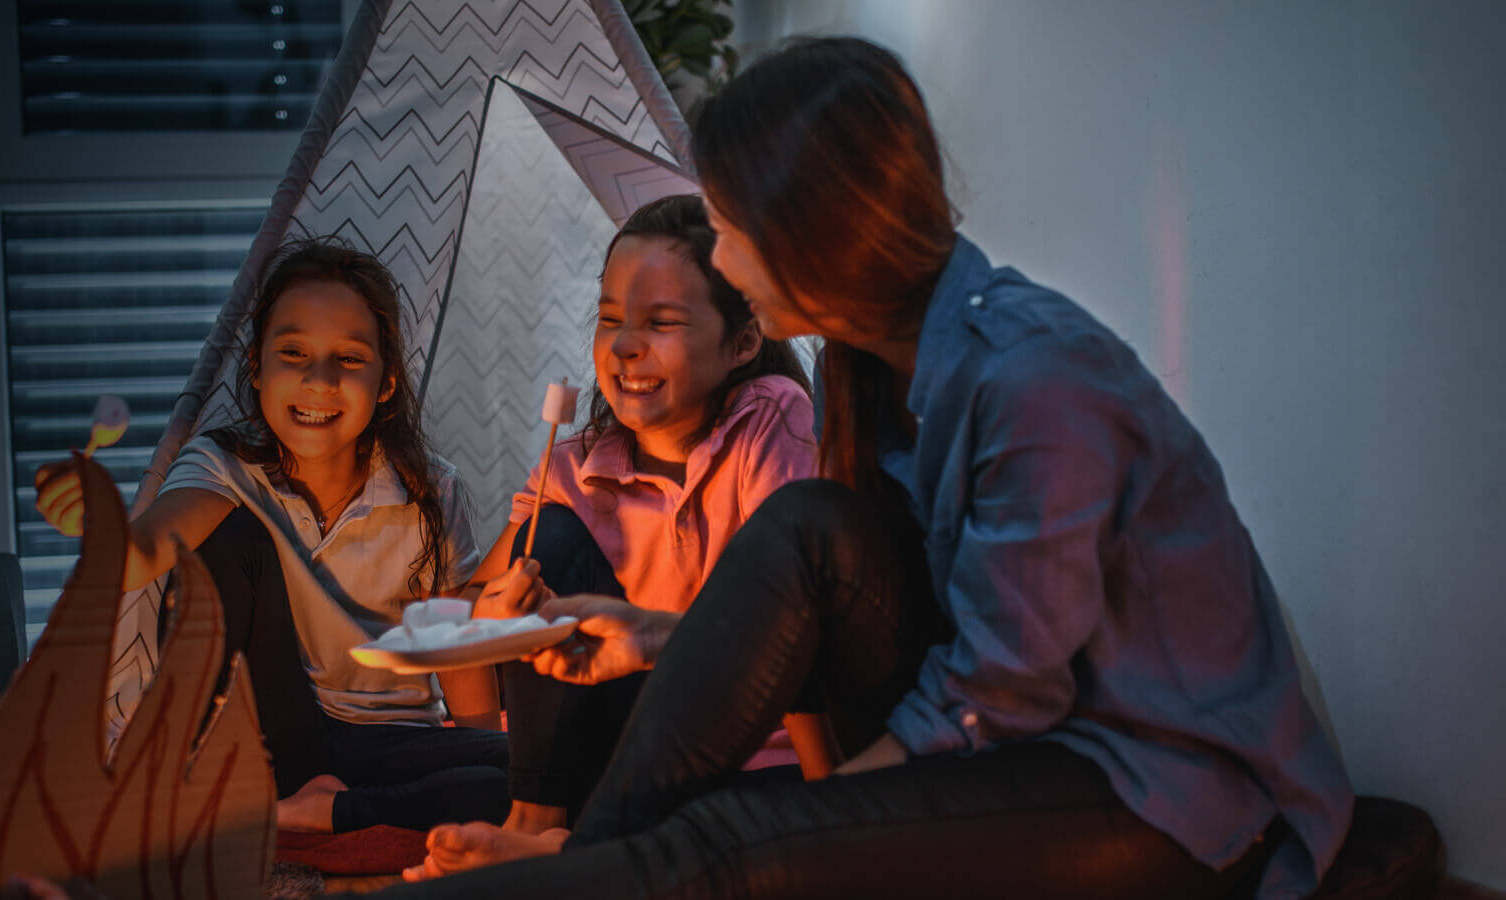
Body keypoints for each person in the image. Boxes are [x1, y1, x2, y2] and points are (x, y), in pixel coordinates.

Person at [378, 36, 1353, 899]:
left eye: (724, 226)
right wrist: (655, 637)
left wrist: (820, 830)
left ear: (804, 235)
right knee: (811, 529)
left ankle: (585, 867)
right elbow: (875, 624)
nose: (717, 250)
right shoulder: (868, 365)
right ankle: (586, 858)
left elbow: (1001, 692)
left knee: (730, 846)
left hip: (1166, 794)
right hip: (1024, 733)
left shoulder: (1034, 378)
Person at [34, 236, 507, 834]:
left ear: (386, 382)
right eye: (293, 353)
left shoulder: (431, 489)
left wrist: (484, 752)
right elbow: (148, 550)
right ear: (256, 368)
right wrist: (99, 524)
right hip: (273, 733)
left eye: (350, 359)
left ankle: (325, 814)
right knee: (234, 537)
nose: (319, 380)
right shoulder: (224, 465)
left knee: (522, 777)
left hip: (391, 740)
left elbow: (455, 646)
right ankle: (255, 795)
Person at [463, 194, 819, 836]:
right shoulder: (572, 468)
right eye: (609, 319)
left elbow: (786, 623)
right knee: (552, 538)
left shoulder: (770, 416)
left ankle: (573, 851)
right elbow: (469, 608)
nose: (624, 345)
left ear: (742, 342)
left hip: (751, 755)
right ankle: (534, 829)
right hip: (624, 755)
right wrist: (498, 616)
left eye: (661, 323)